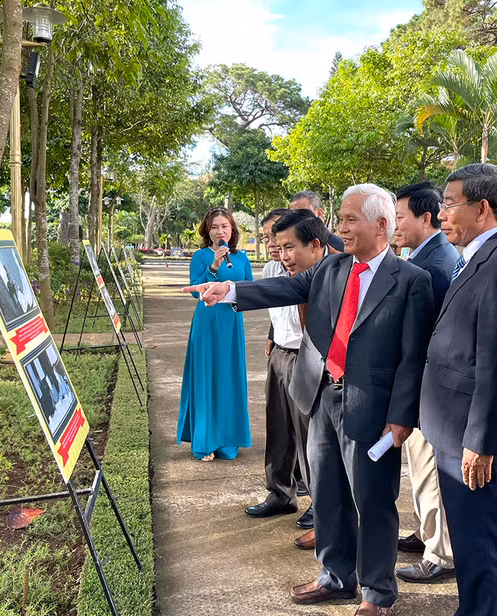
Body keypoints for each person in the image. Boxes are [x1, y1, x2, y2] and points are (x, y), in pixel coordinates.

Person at [184, 184, 433, 616]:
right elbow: (283, 290)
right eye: (340, 218)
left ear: (380, 224)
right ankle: (335, 577)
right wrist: (229, 291)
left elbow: (413, 357)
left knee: (372, 502)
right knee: (328, 493)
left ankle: (376, 593)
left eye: (349, 219)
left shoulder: (412, 280)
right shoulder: (333, 268)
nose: (341, 227)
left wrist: (401, 416)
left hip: (372, 411)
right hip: (320, 398)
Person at [420, 163, 497, 616]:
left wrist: (481, 442)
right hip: (457, 431)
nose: (442, 214)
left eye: (449, 204)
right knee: (471, 549)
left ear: (482, 208)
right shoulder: (477, 257)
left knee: (485, 550)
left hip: (477, 441)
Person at [391, 181, 458, 584]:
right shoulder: (424, 256)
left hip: (428, 388)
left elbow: (422, 337)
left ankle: (440, 553)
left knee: (430, 469)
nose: (395, 225)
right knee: (419, 468)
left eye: (399, 217)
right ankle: (425, 533)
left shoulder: (433, 265)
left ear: (425, 217)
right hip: (420, 387)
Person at [246, 208, 313, 525]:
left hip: (306, 355)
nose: (272, 243)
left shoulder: (310, 268)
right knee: (278, 427)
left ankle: (318, 499)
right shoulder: (271, 269)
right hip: (280, 355)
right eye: (267, 237)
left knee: (309, 433)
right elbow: (278, 309)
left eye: (277, 236)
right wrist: (272, 336)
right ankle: (280, 493)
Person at [272, 208, 332, 548]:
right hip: (315, 380)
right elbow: (275, 291)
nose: (282, 256)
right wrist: (231, 290)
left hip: (342, 388)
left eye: (288, 247)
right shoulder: (314, 271)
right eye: (278, 247)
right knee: (317, 458)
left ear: (314, 244)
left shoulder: (339, 268)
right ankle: (327, 529)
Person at [176, 207, 253, 461]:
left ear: (232, 230)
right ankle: (205, 440)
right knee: (207, 377)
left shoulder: (241, 258)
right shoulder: (200, 257)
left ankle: (228, 440)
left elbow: (252, 291)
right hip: (207, 323)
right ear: (207, 231)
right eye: (215, 227)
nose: (220, 232)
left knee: (229, 377)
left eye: (225, 227)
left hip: (232, 322)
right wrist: (214, 265)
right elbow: (198, 292)